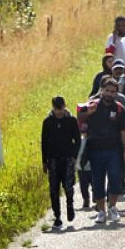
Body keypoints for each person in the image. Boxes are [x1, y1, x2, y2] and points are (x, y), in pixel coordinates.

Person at [79, 77, 125, 223]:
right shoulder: (92, 106)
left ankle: (112, 207)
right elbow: (79, 120)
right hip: (95, 150)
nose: (109, 94)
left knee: (115, 180)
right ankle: (101, 211)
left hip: (114, 150)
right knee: (97, 182)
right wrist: (88, 113)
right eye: (107, 90)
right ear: (101, 90)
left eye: (112, 91)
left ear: (116, 93)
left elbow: (124, 131)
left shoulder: (120, 109)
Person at [41, 95, 81, 228]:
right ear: (53, 108)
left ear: (65, 106)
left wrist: (74, 156)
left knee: (68, 185)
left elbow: (77, 140)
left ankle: (70, 204)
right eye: (57, 109)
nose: (59, 112)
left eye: (61, 108)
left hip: (68, 157)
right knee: (53, 188)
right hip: (53, 158)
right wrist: (44, 161)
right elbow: (44, 142)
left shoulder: (71, 120)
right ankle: (57, 216)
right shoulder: (48, 122)